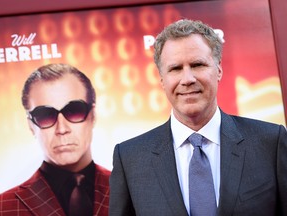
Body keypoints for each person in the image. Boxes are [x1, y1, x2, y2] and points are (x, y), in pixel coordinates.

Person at [109, 19, 287, 216]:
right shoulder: (130, 159)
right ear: (162, 80)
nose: (187, 79)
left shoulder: (270, 142)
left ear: (218, 70)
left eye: (197, 65)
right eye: (175, 68)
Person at [0, 63, 110, 216]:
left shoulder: (133, 189)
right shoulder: (3, 207)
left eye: (74, 111)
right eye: (45, 115)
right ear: (31, 125)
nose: (62, 129)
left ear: (93, 116)